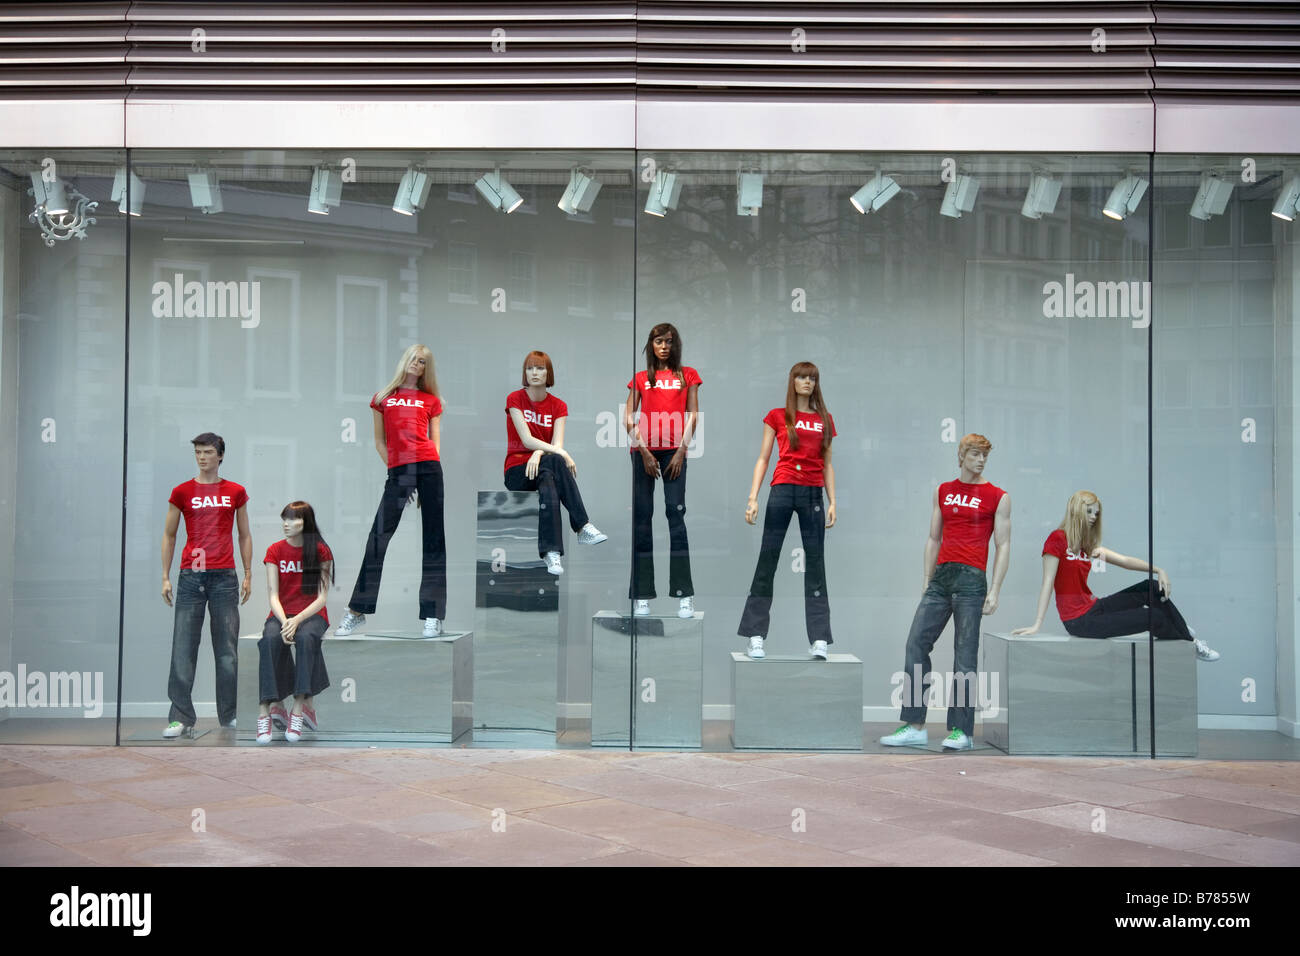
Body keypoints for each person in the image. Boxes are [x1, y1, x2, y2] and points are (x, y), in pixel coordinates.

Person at [881, 433, 1011, 751]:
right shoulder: (944, 491)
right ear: (962, 455)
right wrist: (927, 578)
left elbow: (1003, 544)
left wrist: (995, 589)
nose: (980, 460)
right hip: (941, 577)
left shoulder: (998, 496)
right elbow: (933, 537)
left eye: (985, 456)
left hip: (972, 580)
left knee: (964, 656)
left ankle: (961, 730)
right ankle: (914, 724)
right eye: (976, 454)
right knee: (916, 643)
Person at [1011, 490, 1220, 660]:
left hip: (1094, 607)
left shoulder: (1088, 545)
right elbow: (1047, 582)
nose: (1094, 517)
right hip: (1079, 621)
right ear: (1076, 511)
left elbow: (1125, 561)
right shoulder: (1057, 540)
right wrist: (1037, 623)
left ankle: (1180, 629)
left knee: (1151, 586)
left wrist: (1159, 569)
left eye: (1097, 513)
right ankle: (1189, 643)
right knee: (1152, 616)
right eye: (1090, 512)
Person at [335, 344, 447, 638]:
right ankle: (357, 611)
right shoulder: (383, 399)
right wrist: (397, 472)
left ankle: (433, 615)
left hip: (429, 467)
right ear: (404, 362)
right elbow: (379, 442)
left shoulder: (431, 401)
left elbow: (434, 443)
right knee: (378, 537)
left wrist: (427, 479)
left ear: (426, 368)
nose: (417, 364)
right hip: (400, 470)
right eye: (413, 359)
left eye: (422, 362)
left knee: (434, 540)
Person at [738, 362, 837, 660]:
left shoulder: (825, 419)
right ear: (792, 381)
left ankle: (819, 638)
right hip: (782, 487)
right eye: (801, 377)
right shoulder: (778, 416)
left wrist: (834, 500)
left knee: (816, 564)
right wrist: (753, 497)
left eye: (812, 378)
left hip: (812, 493)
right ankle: (756, 635)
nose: (807, 382)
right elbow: (763, 457)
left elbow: (828, 463)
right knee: (768, 560)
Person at [160, 432, 252, 738]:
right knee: (183, 646)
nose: (202, 457)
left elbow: (244, 534)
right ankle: (181, 716)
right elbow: (170, 534)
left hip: (225, 576)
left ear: (220, 455)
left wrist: (249, 572)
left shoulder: (235, 491)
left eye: (208, 452)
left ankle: (230, 715)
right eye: (198, 452)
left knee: (227, 649)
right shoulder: (182, 491)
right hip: (191, 577)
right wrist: (165, 575)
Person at [504, 350, 607, 574]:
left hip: (542, 468)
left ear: (548, 373)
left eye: (540, 368)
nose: (534, 373)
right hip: (517, 470)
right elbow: (526, 439)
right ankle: (582, 526)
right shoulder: (515, 399)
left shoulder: (558, 406)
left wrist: (538, 454)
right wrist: (560, 454)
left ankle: (552, 554)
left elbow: (554, 446)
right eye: (530, 368)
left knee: (549, 480)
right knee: (557, 462)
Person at [625, 323, 701, 618]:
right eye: (659, 341)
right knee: (642, 517)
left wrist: (682, 451)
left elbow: (693, 414)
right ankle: (641, 594)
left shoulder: (687, 375)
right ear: (651, 345)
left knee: (675, 514)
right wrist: (643, 450)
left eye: (669, 341)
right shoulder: (642, 378)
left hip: (674, 451)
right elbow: (628, 417)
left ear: (675, 345)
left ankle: (684, 594)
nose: (664, 346)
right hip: (643, 450)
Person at [258, 501, 333, 744]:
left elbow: (322, 598)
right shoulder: (274, 551)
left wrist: (297, 620)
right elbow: (272, 595)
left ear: (306, 522)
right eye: (284, 519)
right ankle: (267, 710)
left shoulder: (321, 551)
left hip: (311, 616)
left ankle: (299, 709)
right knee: (268, 639)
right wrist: (284, 621)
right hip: (282, 613)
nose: (286, 525)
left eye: (292, 520)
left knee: (305, 637)